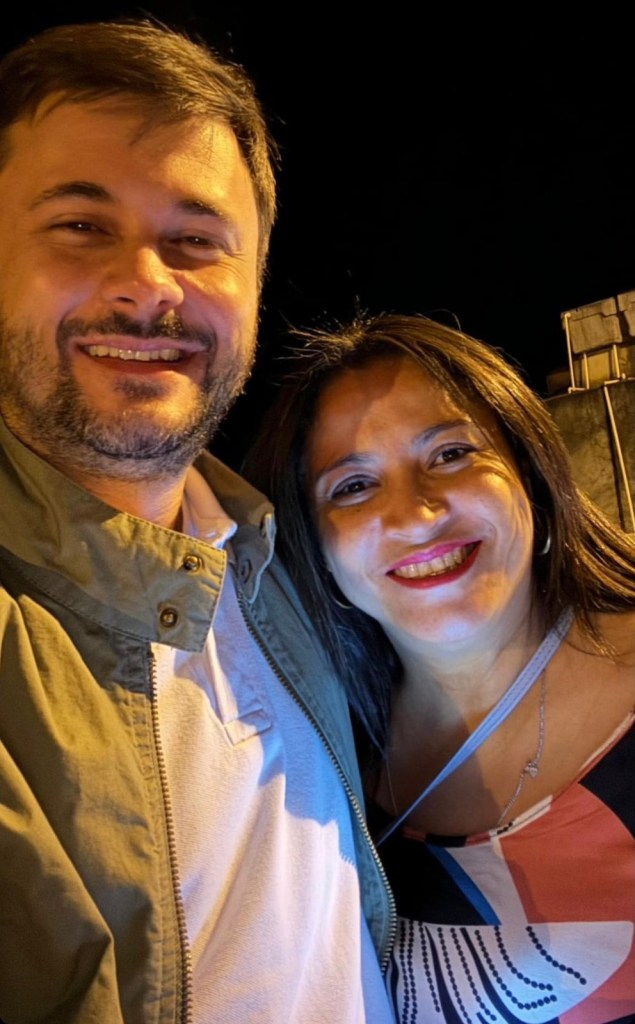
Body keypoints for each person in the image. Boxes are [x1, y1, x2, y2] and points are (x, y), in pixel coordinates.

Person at [0, 19, 397, 1023]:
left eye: (196, 240)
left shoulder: (285, 559)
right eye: (80, 225)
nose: (147, 282)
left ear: (253, 283)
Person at [245, 312, 635, 1024]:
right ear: (317, 549)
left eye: (451, 453)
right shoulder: (323, 771)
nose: (416, 515)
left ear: (529, 474)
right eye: (352, 487)